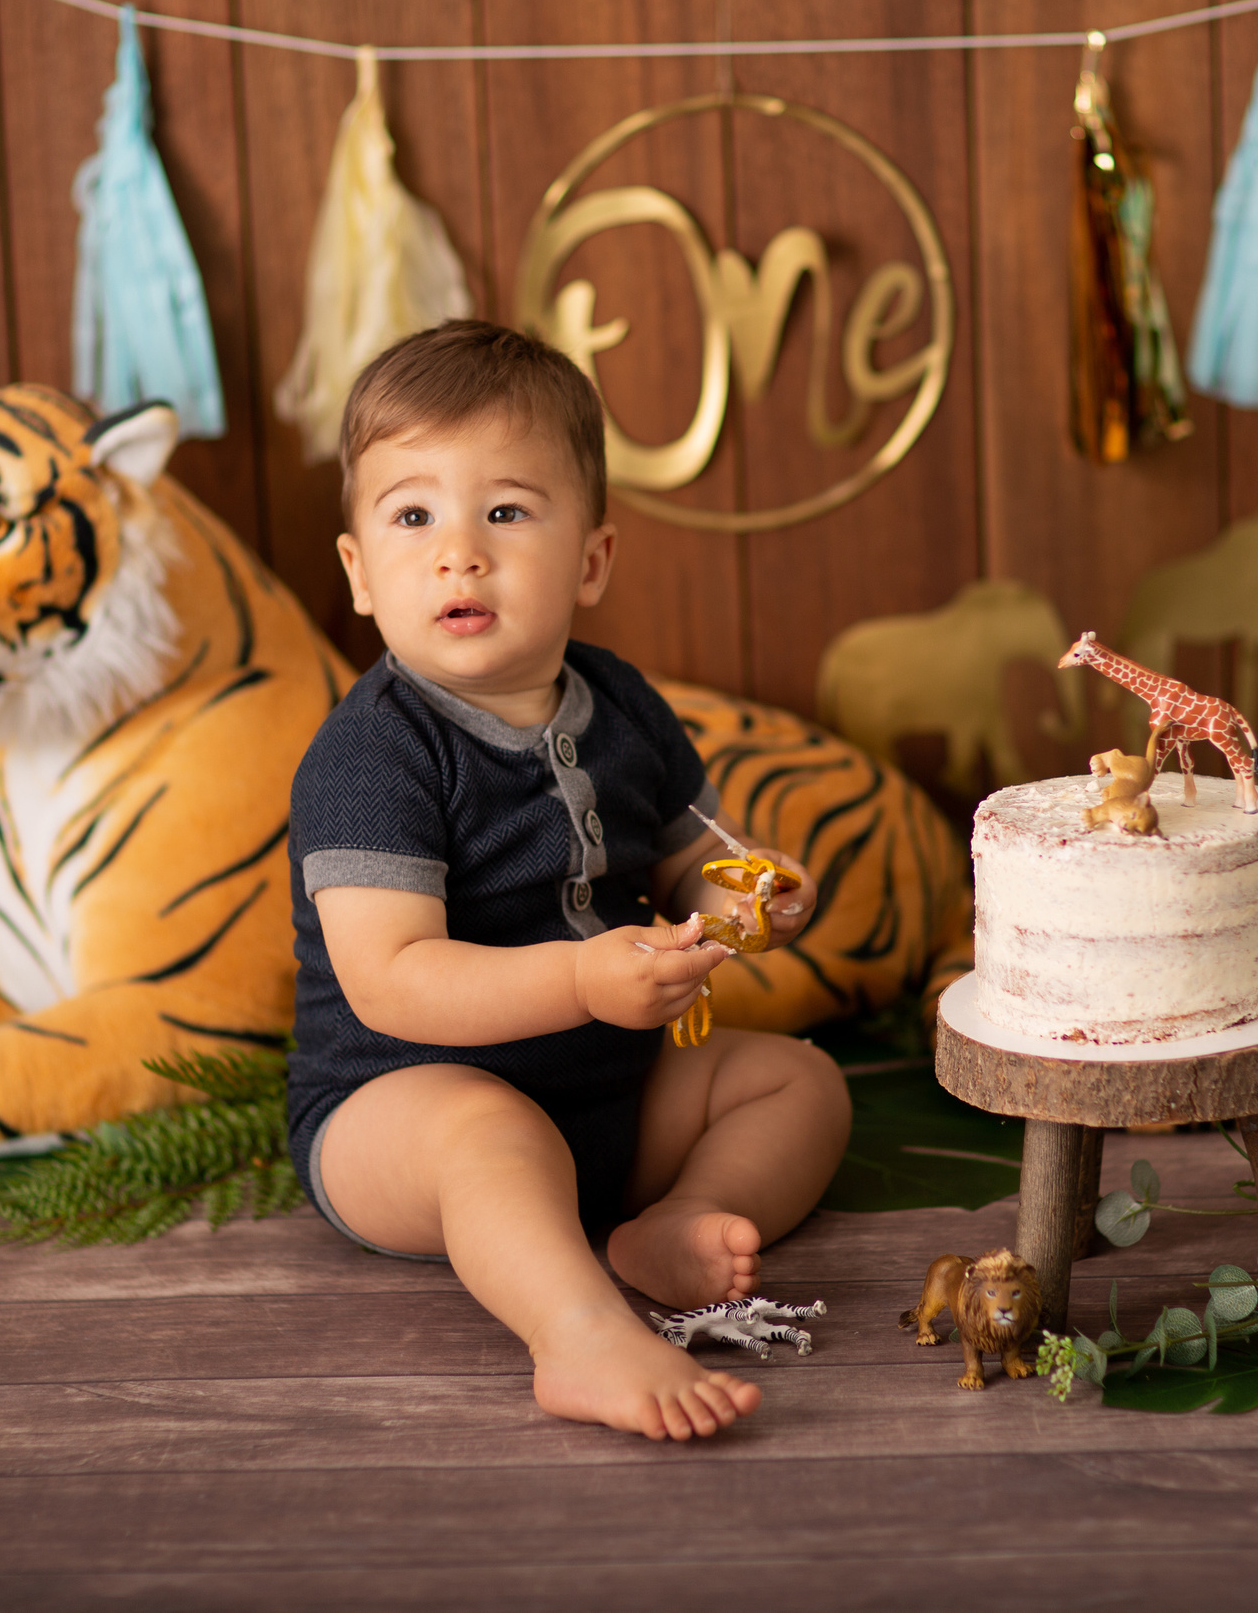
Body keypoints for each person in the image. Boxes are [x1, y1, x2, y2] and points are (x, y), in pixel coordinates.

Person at [287, 320, 853, 1442]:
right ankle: (578, 1332)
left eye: (504, 512)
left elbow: (689, 862)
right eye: (413, 516)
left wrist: (745, 902)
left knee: (796, 1081)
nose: (459, 554)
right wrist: (584, 981)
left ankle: (679, 1221)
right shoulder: (372, 754)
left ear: (591, 560)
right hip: (400, 1111)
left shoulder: (622, 704)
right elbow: (391, 979)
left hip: (611, 1097)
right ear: (357, 571)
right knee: (487, 1135)